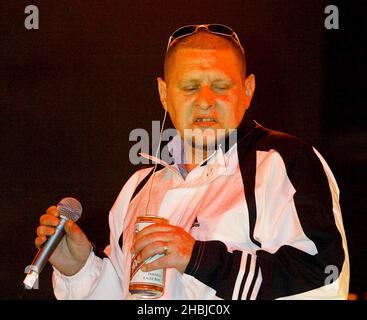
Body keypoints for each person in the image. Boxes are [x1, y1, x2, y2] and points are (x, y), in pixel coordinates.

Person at [35, 24, 349, 299]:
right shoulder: (140, 187)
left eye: (221, 86)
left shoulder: (283, 161)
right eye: (189, 87)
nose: (205, 100)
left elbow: (325, 281)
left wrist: (197, 258)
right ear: (164, 94)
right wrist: (78, 269)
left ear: (247, 91)